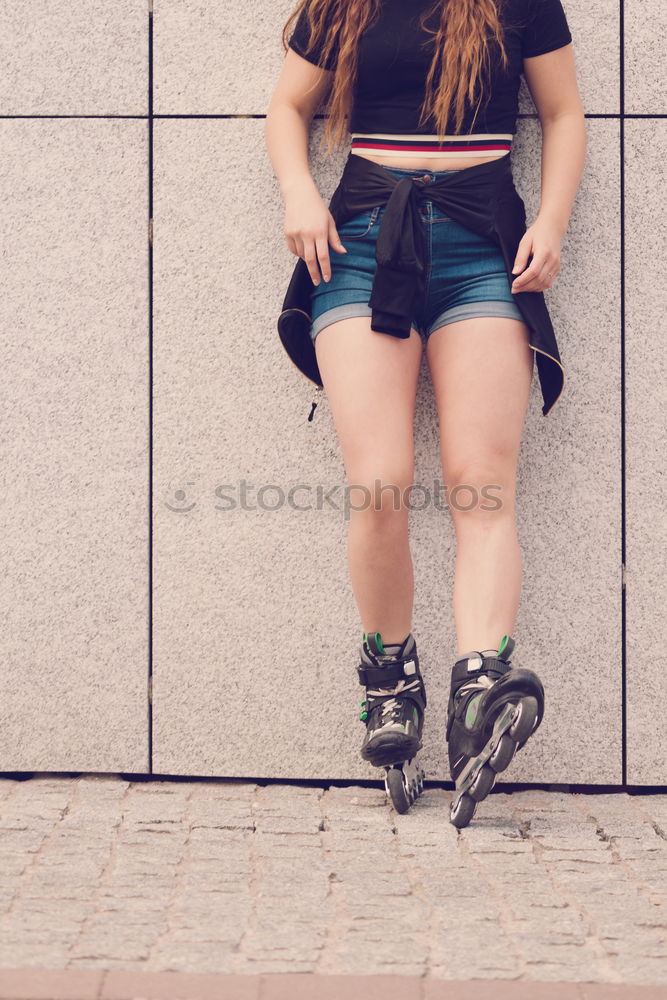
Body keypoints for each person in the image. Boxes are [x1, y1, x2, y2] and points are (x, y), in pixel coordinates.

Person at [265, 0, 586, 825]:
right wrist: (300, 194)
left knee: (480, 481)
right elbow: (288, 102)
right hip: (362, 237)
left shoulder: (520, 2)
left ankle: (480, 681)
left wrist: (551, 222)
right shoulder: (340, 3)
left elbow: (561, 109)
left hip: (484, 243)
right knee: (379, 483)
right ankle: (388, 677)